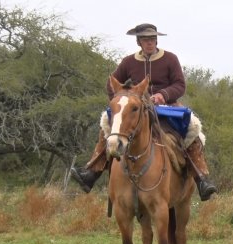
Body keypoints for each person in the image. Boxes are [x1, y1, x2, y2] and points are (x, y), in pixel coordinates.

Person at [71, 23, 217, 201]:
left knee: (192, 128)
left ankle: (201, 179)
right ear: (138, 42)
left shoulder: (170, 59)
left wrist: (163, 95)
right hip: (137, 110)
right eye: (146, 39)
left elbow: (180, 85)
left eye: (152, 39)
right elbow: (112, 84)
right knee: (107, 124)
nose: (150, 42)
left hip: (167, 108)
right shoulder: (128, 61)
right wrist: (123, 100)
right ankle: (92, 172)